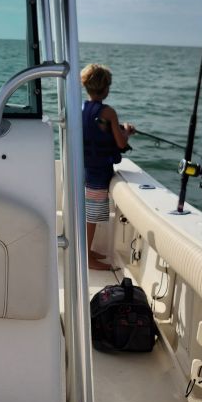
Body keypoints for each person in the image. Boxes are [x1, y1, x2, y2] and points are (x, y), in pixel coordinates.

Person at [81, 63, 135, 270]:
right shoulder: (109, 112)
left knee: (87, 213)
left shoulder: (81, 108)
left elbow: (95, 129)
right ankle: (87, 258)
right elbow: (120, 143)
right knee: (91, 217)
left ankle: (86, 251)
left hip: (83, 169)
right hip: (98, 173)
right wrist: (127, 132)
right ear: (106, 89)